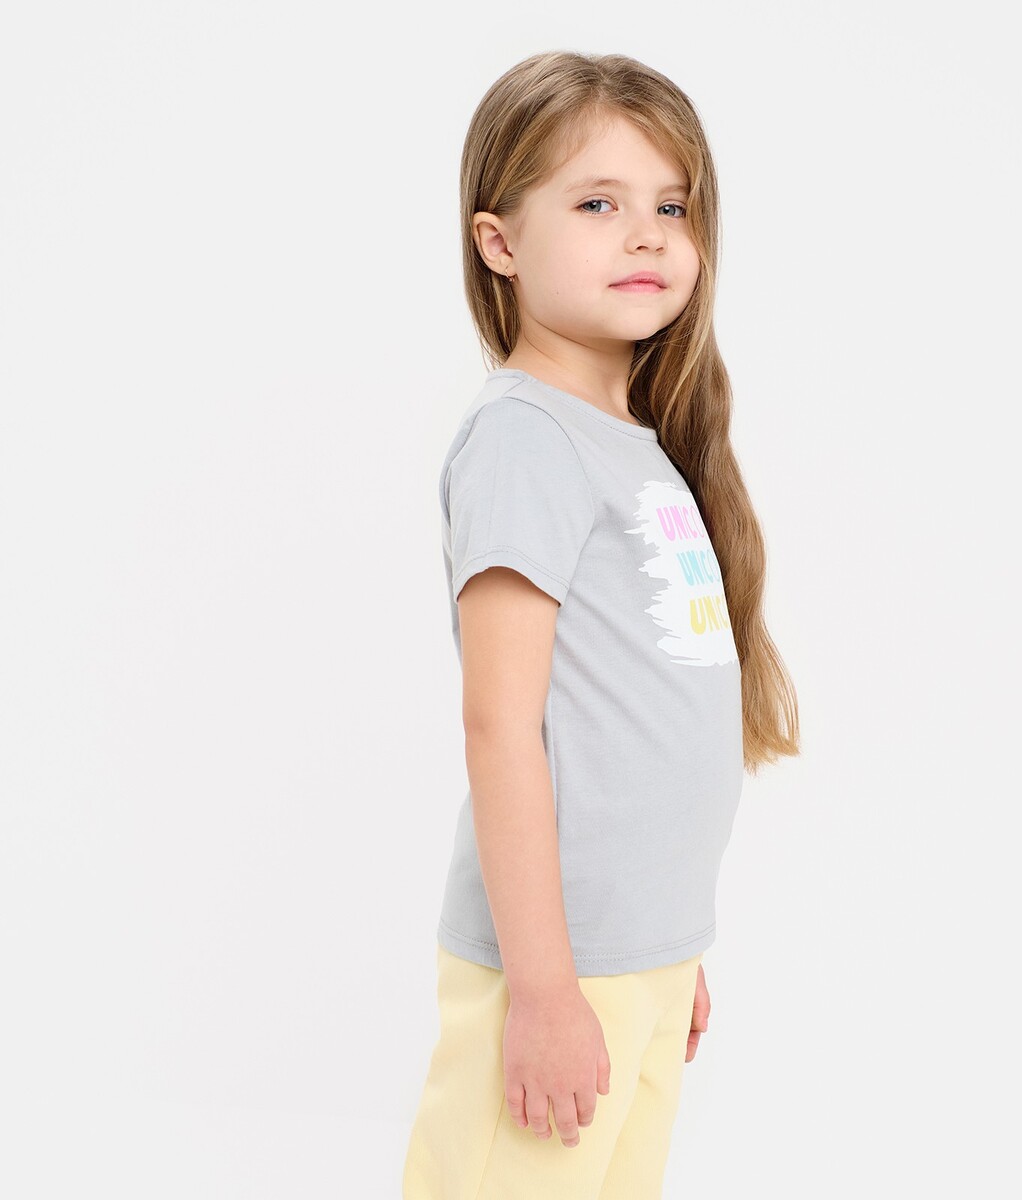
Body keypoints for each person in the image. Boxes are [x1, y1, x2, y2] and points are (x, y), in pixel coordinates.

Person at [403, 49, 801, 1200]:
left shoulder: (634, 448)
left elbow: (639, 721)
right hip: (553, 971)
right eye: (597, 204)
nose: (646, 235)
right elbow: (501, 725)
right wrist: (543, 988)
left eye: (671, 207)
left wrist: (664, 950)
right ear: (500, 243)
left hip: (634, 961)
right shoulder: (524, 438)